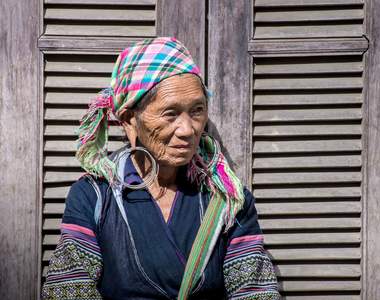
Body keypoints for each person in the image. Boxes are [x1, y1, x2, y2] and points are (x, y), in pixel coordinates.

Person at [41, 37, 280, 300]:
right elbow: (68, 290)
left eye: (197, 110)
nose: (188, 130)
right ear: (129, 121)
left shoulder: (228, 200)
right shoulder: (94, 197)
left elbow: (255, 293)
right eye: (170, 113)